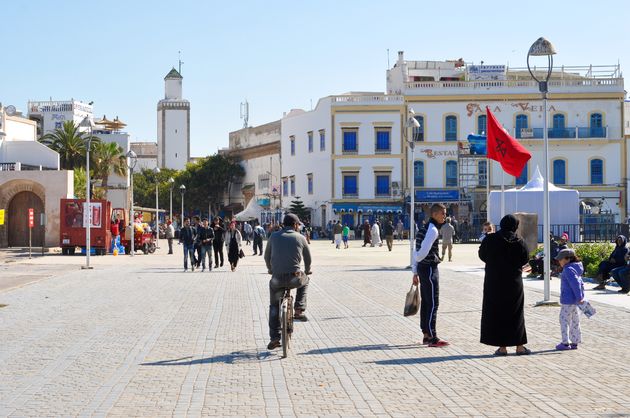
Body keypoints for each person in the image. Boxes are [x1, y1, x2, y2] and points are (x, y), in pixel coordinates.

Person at [478, 214, 531, 356]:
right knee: (516, 313)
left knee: (498, 313)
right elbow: (525, 258)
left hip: (494, 282)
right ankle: (520, 346)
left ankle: (502, 347)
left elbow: (482, 255)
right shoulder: (519, 241)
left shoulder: (490, 239)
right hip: (513, 282)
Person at [264, 213, 311, 350]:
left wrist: (270, 269)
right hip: (295, 279)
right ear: (295, 225)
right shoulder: (301, 237)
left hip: (277, 279)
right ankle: (298, 309)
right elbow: (308, 259)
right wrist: (307, 270)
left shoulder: (273, 236)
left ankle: (275, 338)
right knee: (306, 280)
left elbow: (267, 256)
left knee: (274, 307)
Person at [412, 203, 449, 347]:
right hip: (429, 269)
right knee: (433, 302)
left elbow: (416, 250)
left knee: (427, 302)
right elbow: (421, 253)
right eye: (443, 213)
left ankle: (426, 335)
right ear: (434, 214)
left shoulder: (424, 228)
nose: (445, 216)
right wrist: (418, 261)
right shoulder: (432, 230)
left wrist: (415, 270)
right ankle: (433, 337)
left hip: (423, 268)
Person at [555, 248, 584, 351]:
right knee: (575, 321)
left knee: (564, 320)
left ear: (568, 259)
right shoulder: (576, 268)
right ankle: (575, 342)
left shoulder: (568, 269)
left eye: (560, 259)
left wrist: (579, 297)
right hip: (575, 301)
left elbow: (575, 284)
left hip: (568, 301)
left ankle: (565, 342)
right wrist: (580, 297)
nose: (559, 261)